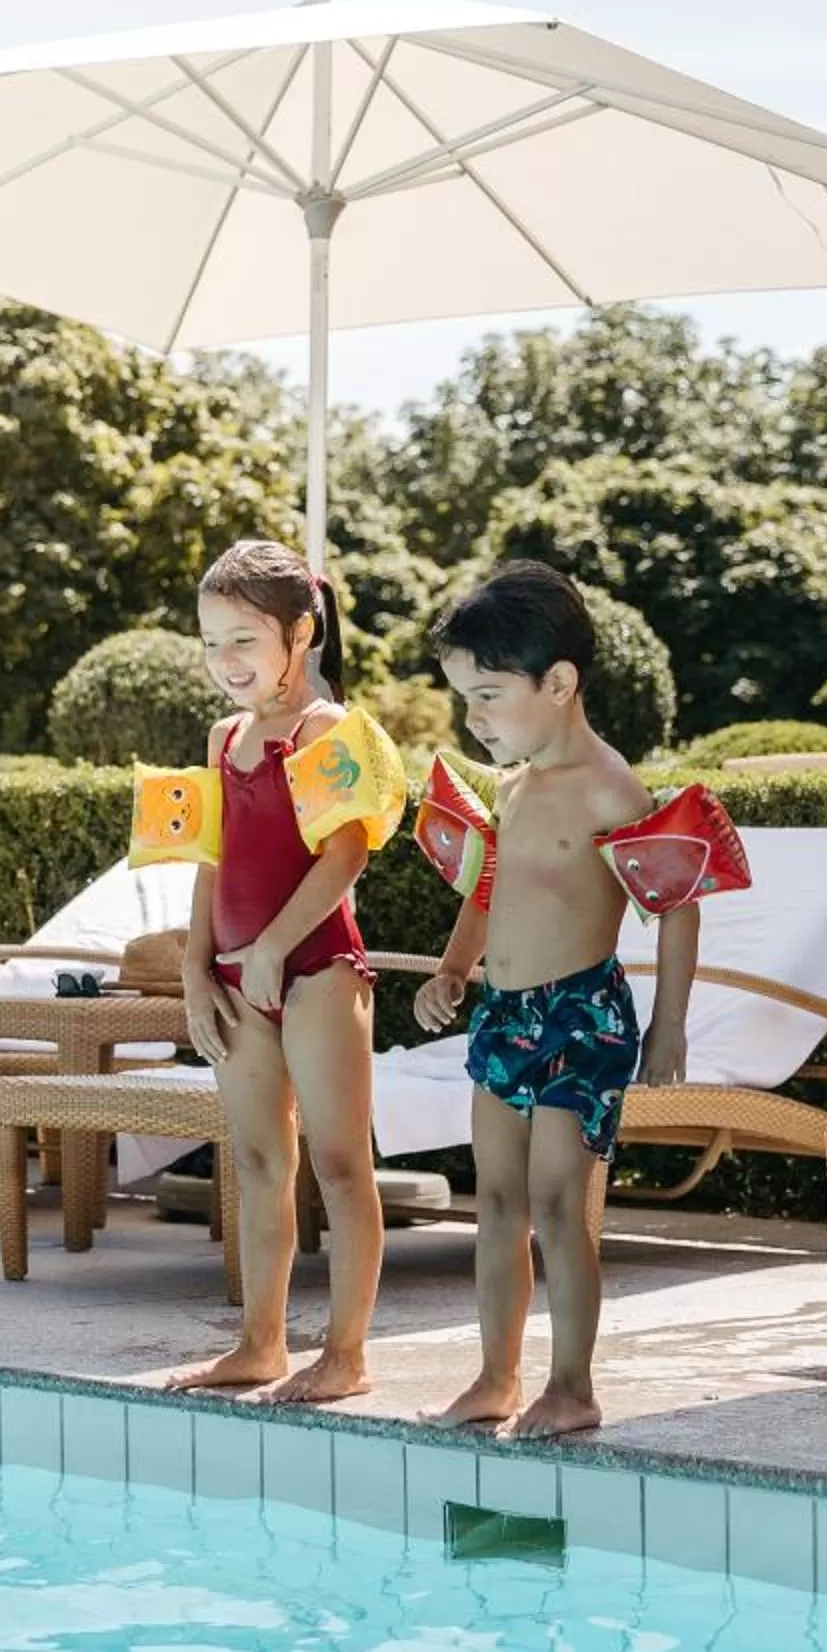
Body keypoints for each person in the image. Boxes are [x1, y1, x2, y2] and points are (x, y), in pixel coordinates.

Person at [415, 561, 699, 1440]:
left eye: (490, 696)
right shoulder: (515, 784)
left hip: (582, 1018)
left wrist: (669, 1026)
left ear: (560, 684)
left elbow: (676, 903)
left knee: (554, 1206)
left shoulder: (613, 791)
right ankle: (497, 1377)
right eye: (466, 699)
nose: (475, 719)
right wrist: (454, 970)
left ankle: (571, 1385)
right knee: (493, 1204)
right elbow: (488, 886)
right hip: (505, 1015)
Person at [172, 538, 387, 1403]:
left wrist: (268, 949)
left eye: (244, 640)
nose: (226, 661)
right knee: (260, 1163)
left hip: (319, 965)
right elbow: (211, 861)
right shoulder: (224, 739)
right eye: (212, 642)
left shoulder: (325, 730)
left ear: (302, 634)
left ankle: (346, 1354)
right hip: (233, 976)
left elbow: (346, 856)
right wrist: (195, 968)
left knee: (338, 1164)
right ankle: (259, 1345)